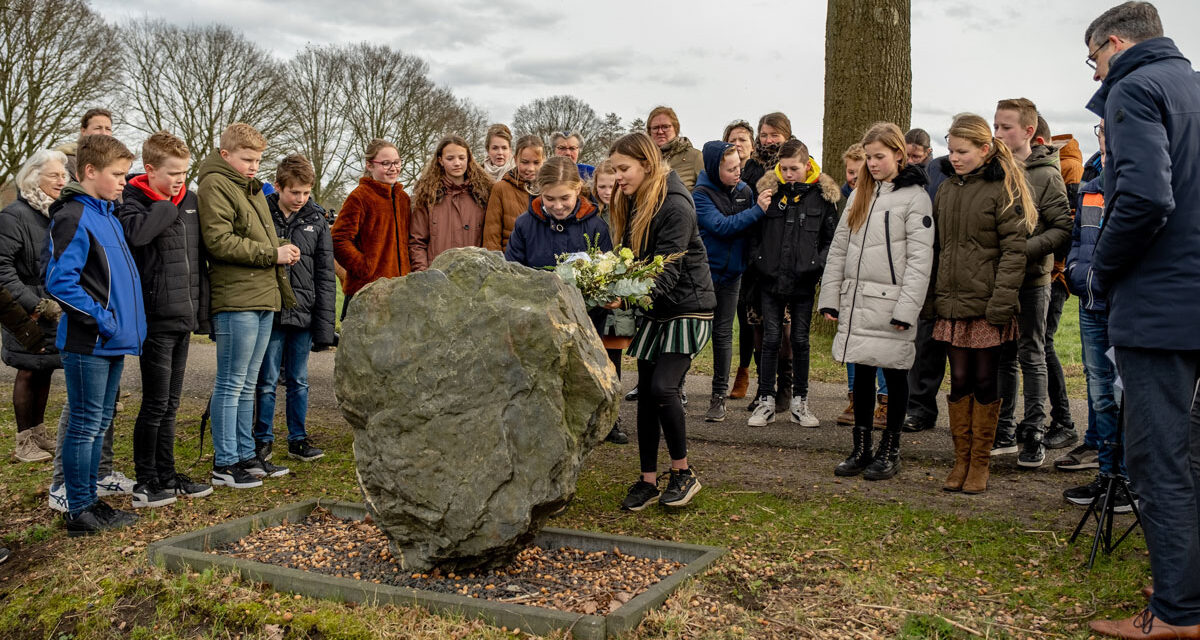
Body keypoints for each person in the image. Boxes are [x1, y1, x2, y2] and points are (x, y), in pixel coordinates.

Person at [1082, 3, 1200, 636]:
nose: (1096, 73)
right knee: (1195, 456)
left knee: (1158, 461)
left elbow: (1149, 196)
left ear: (1115, 44)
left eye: (1094, 59)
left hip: (1159, 306)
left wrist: (1103, 268)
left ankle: (1180, 613)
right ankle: (1187, 582)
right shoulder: (1194, 86)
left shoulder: (1134, 86)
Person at [821, 122, 934, 480]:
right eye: (868, 157)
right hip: (858, 301)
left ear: (899, 155)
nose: (872, 163)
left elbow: (920, 259)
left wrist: (907, 308)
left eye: (879, 157)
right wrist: (831, 298)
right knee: (863, 373)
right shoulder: (858, 195)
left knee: (895, 373)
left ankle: (891, 448)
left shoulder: (915, 197)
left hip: (892, 304)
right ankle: (861, 446)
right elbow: (840, 248)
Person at [609, 132, 715, 512]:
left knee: (664, 388)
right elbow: (627, 256)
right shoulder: (633, 200)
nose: (618, 177)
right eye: (615, 169)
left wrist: (625, 295)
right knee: (646, 393)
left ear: (647, 164)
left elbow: (667, 272)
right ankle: (648, 480)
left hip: (688, 305)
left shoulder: (675, 204)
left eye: (624, 168)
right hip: (656, 309)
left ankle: (684, 473)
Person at [44, 134, 144, 535]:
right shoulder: (73, 215)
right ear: (89, 171)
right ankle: (79, 509)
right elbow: (59, 282)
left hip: (112, 341)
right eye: (117, 174)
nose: (124, 181)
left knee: (99, 423)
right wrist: (103, 319)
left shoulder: (107, 214)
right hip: (89, 341)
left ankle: (91, 501)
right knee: (85, 424)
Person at [931, 113, 1032, 495]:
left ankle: (981, 463)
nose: (954, 157)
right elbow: (939, 248)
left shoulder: (1001, 189)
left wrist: (1001, 302)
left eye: (963, 151)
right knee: (958, 380)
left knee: (986, 379)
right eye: (951, 150)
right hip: (953, 304)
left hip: (988, 304)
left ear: (984, 149)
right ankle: (961, 459)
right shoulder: (946, 189)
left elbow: (1013, 252)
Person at [198, 123, 298, 490]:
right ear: (225, 155)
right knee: (231, 382)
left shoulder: (249, 187)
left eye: (258, 160)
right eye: (248, 159)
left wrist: (281, 250)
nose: (255, 166)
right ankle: (225, 462)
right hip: (235, 298)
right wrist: (272, 253)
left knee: (248, 383)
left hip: (262, 294)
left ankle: (245, 455)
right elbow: (219, 241)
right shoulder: (215, 184)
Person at [117, 131, 213, 508]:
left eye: (185, 172)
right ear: (150, 168)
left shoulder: (189, 200)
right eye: (173, 173)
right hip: (155, 317)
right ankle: (146, 480)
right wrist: (164, 205)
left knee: (172, 403)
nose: (180, 180)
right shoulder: (133, 200)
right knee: (155, 403)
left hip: (183, 315)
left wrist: (202, 313)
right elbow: (137, 236)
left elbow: (199, 261)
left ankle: (168, 475)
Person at [991, 98, 1072, 468]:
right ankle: (1003, 429)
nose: (998, 134)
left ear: (1028, 131)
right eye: (995, 126)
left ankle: (1034, 432)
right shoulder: (992, 169)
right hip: (997, 279)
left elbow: (1061, 228)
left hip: (1033, 279)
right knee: (1002, 356)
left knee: (1032, 354)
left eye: (1005, 127)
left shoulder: (1046, 173)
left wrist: (1024, 250)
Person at [1061, 121, 1131, 509]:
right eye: (1100, 128)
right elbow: (1077, 237)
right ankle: (1106, 475)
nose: (1103, 134)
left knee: (1126, 396)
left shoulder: (1140, 178)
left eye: (1109, 127)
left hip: (1127, 310)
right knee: (1100, 394)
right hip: (1091, 306)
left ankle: (1130, 479)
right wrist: (1077, 273)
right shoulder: (1091, 183)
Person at [746, 139, 839, 428]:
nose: (788, 174)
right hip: (770, 280)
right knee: (771, 340)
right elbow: (754, 232)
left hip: (803, 281)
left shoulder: (822, 197)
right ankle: (765, 399)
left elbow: (830, 239)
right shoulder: (768, 192)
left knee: (799, 341)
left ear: (807, 165)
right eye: (783, 168)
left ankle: (800, 400)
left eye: (794, 169)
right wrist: (760, 260)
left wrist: (816, 263)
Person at [253, 154, 335, 465]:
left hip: (303, 312)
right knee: (267, 379)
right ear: (278, 187)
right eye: (294, 192)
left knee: (299, 380)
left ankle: (297, 439)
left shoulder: (317, 220)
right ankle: (263, 440)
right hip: (271, 310)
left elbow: (326, 275)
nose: (300, 199)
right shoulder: (263, 214)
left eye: (305, 192)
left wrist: (324, 327)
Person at [0, 150, 67, 463]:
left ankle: (38, 432)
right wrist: (35, 304)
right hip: (24, 309)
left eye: (63, 175)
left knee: (43, 369)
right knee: (28, 369)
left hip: (52, 307)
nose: (61, 180)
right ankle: (23, 440)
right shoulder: (14, 216)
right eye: (53, 175)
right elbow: (3, 270)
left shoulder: (54, 213)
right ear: (33, 177)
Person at [693, 141, 763, 423]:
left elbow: (750, 230)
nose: (738, 173)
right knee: (695, 332)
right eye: (731, 169)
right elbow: (721, 227)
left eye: (740, 167)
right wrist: (758, 210)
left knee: (723, 335)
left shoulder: (745, 191)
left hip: (733, 275)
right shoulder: (700, 195)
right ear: (714, 168)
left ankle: (718, 397)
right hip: (704, 275)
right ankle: (677, 390)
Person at [740, 112, 797, 413]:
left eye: (775, 134)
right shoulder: (751, 168)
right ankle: (765, 389)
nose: (769, 140)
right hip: (756, 257)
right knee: (757, 326)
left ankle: (786, 387)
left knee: (783, 327)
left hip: (785, 259)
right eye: (764, 134)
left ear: (787, 135)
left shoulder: (797, 165)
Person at [835, 143, 890, 429]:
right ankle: (856, 397)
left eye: (859, 173)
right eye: (850, 172)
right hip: (852, 284)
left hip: (879, 283)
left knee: (879, 346)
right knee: (854, 345)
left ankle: (885, 399)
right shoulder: (848, 199)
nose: (854, 178)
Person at [1040, 117, 1084, 451]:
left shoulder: (1068, 167)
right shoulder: (1062, 161)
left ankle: (1064, 421)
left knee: (1043, 344)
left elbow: (1068, 224)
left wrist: (1057, 266)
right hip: (1048, 270)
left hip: (1055, 273)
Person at [332, 139, 411, 320]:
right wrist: (366, 268)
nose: (393, 168)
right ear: (369, 165)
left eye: (397, 162)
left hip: (400, 290)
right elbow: (338, 239)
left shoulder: (403, 199)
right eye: (385, 163)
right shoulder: (359, 197)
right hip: (366, 291)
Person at [504, 156, 611, 268]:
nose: (558, 206)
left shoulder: (597, 227)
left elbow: (606, 273)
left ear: (578, 189)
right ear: (540, 191)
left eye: (565, 198)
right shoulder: (524, 225)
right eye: (549, 199)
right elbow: (512, 270)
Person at [593, 159, 633, 444]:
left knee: (614, 363)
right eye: (602, 186)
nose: (608, 191)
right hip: (594, 296)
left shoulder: (628, 214)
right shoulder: (591, 216)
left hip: (618, 298)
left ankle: (613, 418)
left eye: (612, 185)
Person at [409, 135, 492, 272]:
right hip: (437, 278)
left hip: (475, 277)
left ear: (469, 159)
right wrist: (423, 274)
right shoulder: (427, 197)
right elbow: (417, 242)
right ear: (440, 161)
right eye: (450, 158)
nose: (457, 163)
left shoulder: (483, 194)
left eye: (461, 158)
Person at [723, 119, 757, 399]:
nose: (738, 144)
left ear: (752, 145)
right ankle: (740, 371)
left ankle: (750, 371)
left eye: (743, 139)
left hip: (756, 254)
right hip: (732, 256)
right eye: (732, 139)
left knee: (754, 321)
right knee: (738, 318)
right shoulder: (720, 178)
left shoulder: (759, 175)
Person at [483, 135, 544, 252]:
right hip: (510, 260)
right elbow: (492, 235)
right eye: (525, 162)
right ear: (516, 159)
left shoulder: (549, 189)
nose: (530, 168)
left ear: (543, 160)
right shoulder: (501, 188)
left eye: (536, 162)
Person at [646, 106, 704, 190]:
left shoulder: (695, 156)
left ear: (676, 129)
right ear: (649, 132)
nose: (660, 131)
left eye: (665, 127)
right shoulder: (644, 160)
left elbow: (708, 193)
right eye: (655, 128)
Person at [54, 108, 114, 181]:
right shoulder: (68, 160)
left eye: (108, 129)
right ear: (83, 131)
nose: (104, 133)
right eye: (98, 128)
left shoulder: (115, 162)